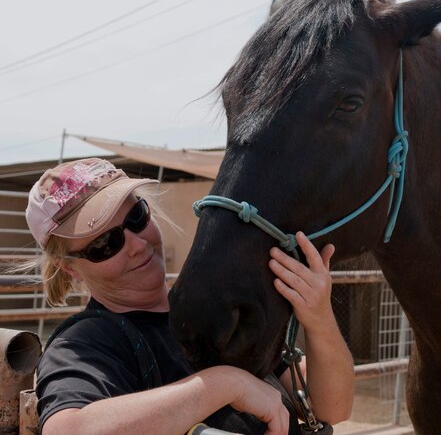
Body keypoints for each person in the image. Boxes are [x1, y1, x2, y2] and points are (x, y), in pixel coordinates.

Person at [25, 157, 354, 435]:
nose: (138, 245)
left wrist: (319, 317)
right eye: (105, 244)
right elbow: (66, 429)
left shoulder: (210, 309)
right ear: (69, 268)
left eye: (136, 218)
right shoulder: (86, 345)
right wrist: (225, 385)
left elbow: (334, 408)